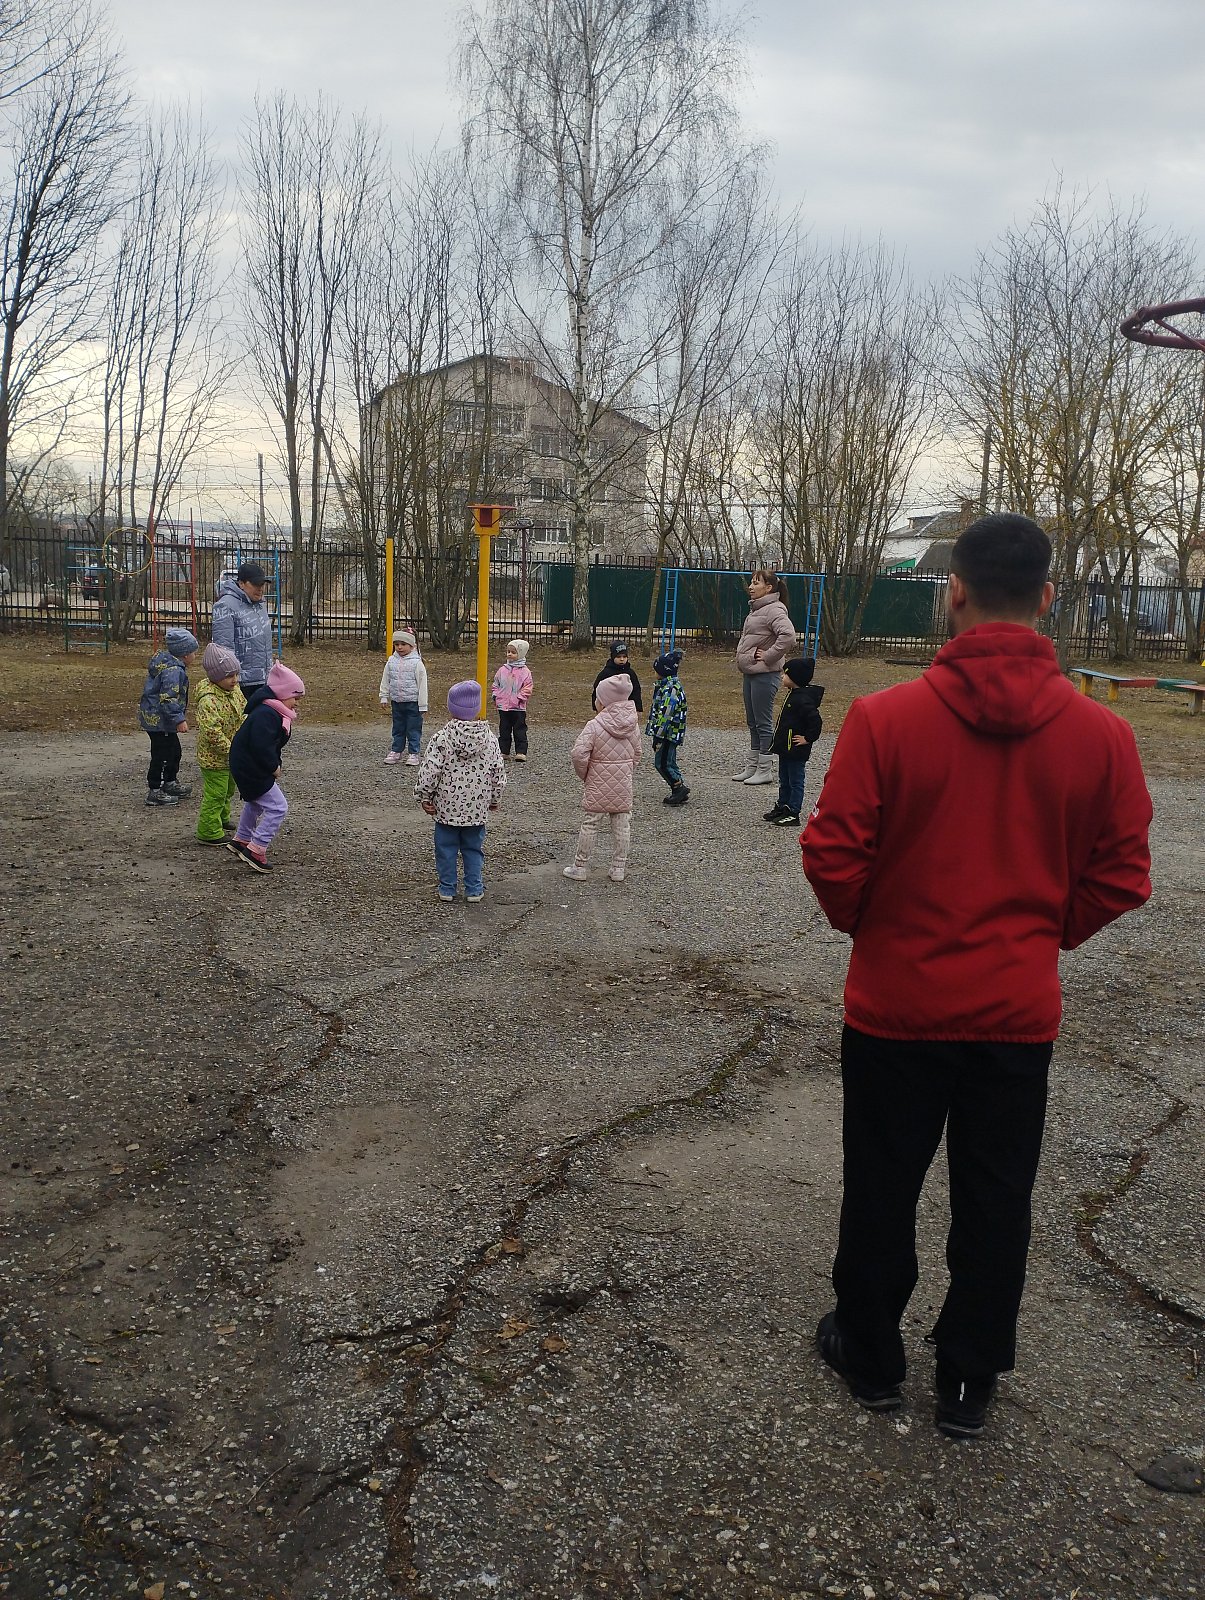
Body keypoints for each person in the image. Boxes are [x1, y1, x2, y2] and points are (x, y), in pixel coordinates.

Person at [800, 513, 1152, 1441]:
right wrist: (1043, 934)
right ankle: (968, 1376)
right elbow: (1122, 874)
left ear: (951, 592)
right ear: (1047, 598)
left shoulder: (884, 719)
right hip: (1014, 1012)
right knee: (997, 1196)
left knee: (880, 1185)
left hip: (896, 1006)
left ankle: (870, 1355)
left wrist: (877, 930)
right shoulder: (1103, 734)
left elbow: (832, 854)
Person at [414, 680, 506, 903]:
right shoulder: (490, 739)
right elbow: (497, 773)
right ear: (476, 708)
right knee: (473, 848)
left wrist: (425, 796)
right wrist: (494, 798)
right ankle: (474, 888)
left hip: (446, 808)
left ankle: (447, 888)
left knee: (445, 848)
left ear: (451, 707)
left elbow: (430, 771)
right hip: (477, 808)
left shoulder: (442, 738)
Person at [227, 661, 306, 874]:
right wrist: (273, 767)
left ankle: (242, 839)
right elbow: (261, 746)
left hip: (246, 764)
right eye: (295, 698)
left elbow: (269, 744)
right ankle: (256, 849)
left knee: (255, 801)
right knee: (278, 807)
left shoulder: (272, 711)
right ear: (282, 694)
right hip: (251, 766)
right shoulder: (267, 714)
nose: (296, 703)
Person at [564, 672, 642, 884]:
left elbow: (578, 754)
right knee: (622, 825)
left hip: (597, 781)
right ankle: (618, 868)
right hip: (623, 783)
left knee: (590, 823)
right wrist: (627, 770)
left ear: (604, 702)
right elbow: (637, 753)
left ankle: (580, 867)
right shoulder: (633, 725)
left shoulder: (594, 725)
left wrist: (585, 774)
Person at [734, 569, 797, 786]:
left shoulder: (774, 609)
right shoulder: (757, 609)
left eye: (756, 583)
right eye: (751, 582)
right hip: (751, 672)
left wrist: (769, 656)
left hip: (765, 675)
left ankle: (765, 769)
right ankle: (752, 767)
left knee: (763, 722)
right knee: (753, 722)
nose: (751, 587)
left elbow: (788, 636)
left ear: (769, 588)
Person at [138, 626, 199, 807]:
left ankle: (170, 782)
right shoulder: (173, 671)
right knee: (162, 755)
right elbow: (168, 698)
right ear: (185, 654)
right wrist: (179, 719)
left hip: (161, 721)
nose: (195, 656)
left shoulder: (169, 665)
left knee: (174, 751)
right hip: (160, 722)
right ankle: (155, 790)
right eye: (194, 652)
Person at [194, 644, 247, 844]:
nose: (235, 679)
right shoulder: (208, 701)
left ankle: (221, 818)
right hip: (214, 757)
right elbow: (211, 732)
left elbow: (243, 712)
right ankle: (208, 831)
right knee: (216, 793)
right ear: (215, 677)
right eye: (229, 676)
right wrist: (232, 749)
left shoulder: (234, 691)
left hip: (233, 753)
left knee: (228, 789)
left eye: (236, 674)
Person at [764, 657, 824, 828]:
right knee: (784, 779)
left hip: (796, 749)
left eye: (786, 674)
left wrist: (807, 738)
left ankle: (793, 811)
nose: (782, 677)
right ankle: (782, 805)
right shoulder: (793, 694)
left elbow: (816, 721)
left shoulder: (803, 699)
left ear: (795, 678)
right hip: (786, 748)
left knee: (795, 781)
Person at [211, 560, 273, 697]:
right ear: (241, 583)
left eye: (262, 584)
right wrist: (231, 678)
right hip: (241, 682)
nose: (260, 588)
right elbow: (223, 647)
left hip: (263, 678)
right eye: (255, 584)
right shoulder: (225, 605)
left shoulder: (259, 605)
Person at [645, 648, 689, 806]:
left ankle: (678, 787)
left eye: (656, 670)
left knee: (662, 763)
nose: (654, 673)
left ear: (663, 671)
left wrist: (658, 735)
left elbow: (665, 715)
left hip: (667, 734)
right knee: (669, 761)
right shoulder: (668, 685)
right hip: (671, 733)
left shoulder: (670, 689)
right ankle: (679, 786)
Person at [379, 628, 429, 766]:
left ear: (412, 645)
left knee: (413, 729)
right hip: (397, 702)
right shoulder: (391, 661)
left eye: (403, 644)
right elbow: (386, 679)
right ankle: (396, 750)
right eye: (397, 644)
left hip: (413, 703)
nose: (399, 647)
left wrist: (423, 704)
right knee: (398, 728)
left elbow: (422, 684)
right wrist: (384, 696)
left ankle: (414, 753)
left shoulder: (417, 663)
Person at [491, 638, 534, 761]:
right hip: (503, 706)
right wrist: (496, 696)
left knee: (519, 730)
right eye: (508, 652)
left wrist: (520, 698)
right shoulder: (502, 670)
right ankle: (504, 751)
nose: (509, 654)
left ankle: (521, 751)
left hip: (518, 707)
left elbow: (528, 687)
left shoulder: (525, 672)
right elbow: (496, 684)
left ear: (520, 654)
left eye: (513, 652)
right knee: (504, 729)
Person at [591, 639, 642, 714]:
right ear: (613, 656)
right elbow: (597, 690)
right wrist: (597, 707)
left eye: (624, 656)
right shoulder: (606, 673)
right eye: (618, 657)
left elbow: (636, 691)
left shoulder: (630, 673)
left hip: (626, 711)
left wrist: (638, 708)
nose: (622, 659)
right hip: (608, 711)